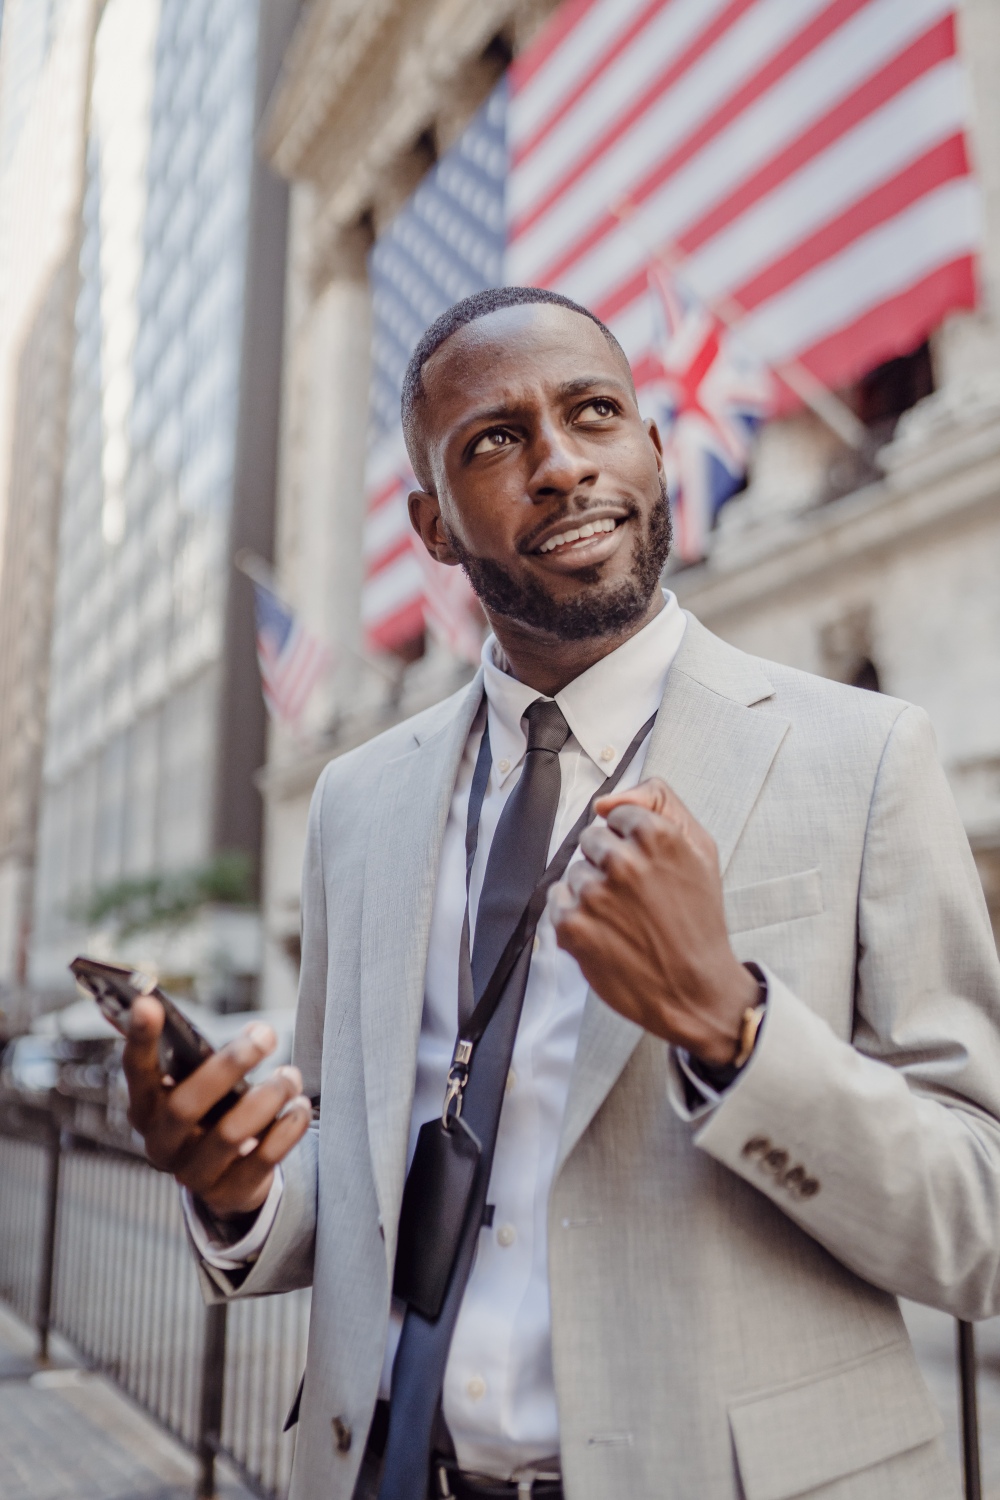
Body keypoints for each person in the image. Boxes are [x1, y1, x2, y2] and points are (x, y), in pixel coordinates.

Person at [123, 286, 1000, 1500]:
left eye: (594, 414)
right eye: (495, 440)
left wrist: (735, 1033)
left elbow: (982, 1217)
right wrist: (238, 1188)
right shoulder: (356, 802)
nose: (560, 466)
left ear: (654, 447)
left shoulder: (863, 757)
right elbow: (361, 1171)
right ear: (433, 525)